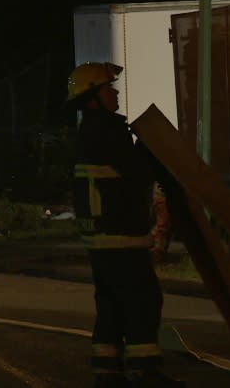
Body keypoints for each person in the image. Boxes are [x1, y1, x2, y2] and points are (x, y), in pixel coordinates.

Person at [67, 62, 185, 388]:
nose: (115, 92)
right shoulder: (107, 131)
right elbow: (137, 174)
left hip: (103, 237)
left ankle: (107, 373)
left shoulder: (90, 131)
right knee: (143, 302)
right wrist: (153, 147)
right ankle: (144, 372)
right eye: (108, 87)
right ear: (93, 97)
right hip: (120, 236)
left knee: (111, 306)